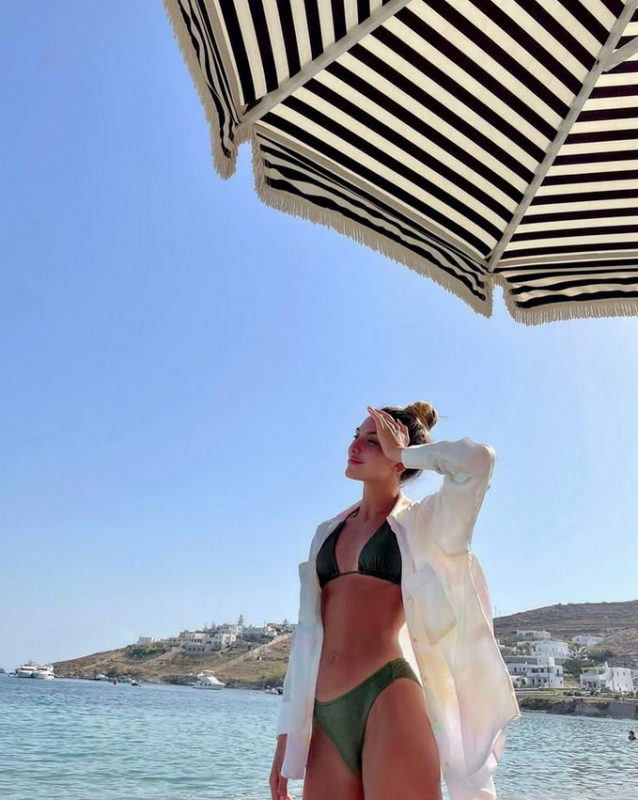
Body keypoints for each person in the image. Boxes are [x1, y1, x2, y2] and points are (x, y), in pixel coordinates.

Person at [270, 403, 520, 800]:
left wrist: (405, 452)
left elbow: (478, 462)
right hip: (324, 709)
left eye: (373, 441)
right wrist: (287, 738)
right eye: (357, 435)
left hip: (389, 697)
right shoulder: (325, 533)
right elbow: (305, 640)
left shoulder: (426, 522)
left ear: (398, 459)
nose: (355, 445)